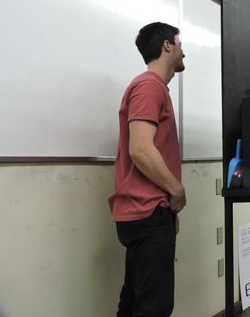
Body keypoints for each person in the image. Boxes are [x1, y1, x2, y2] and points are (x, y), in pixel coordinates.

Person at [109, 22, 187, 317]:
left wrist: (169, 210)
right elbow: (140, 149)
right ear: (167, 45)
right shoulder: (148, 86)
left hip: (150, 212)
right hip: (148, 211)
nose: (183, 51)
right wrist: (176, 191)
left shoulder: (153, 88)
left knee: (133, 304)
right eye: (180, 44)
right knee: (154, 308)